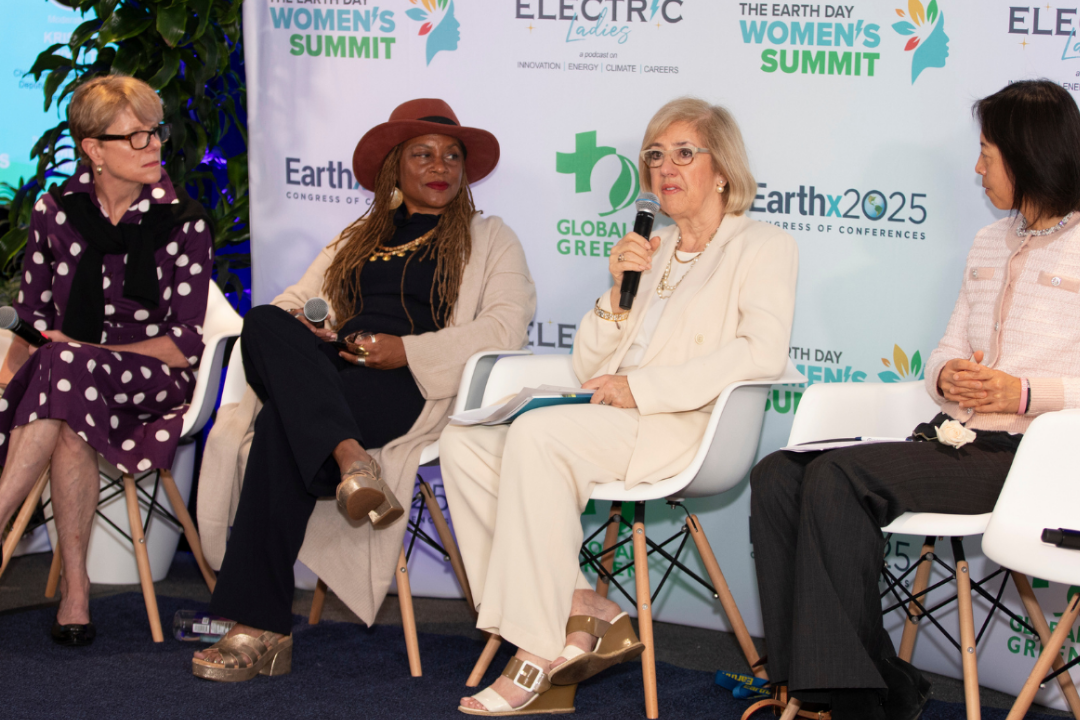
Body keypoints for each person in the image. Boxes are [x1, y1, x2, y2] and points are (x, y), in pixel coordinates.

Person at [440, 97, 798, 715]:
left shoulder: (762, 245)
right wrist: (616, 293)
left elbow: (759, 354)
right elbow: (587, 366)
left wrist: (644, 391)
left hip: (685, 426)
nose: (665, 168)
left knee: (539, 438)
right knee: (464, 444)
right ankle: (584, 606)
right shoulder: (649, 247)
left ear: (723, 171)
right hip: (611, 416)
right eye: (655, 156)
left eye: (685, 153)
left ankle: (537, 650)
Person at [749, 79, 1080, 720]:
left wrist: (1025, 392)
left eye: (988, 152)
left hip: (1033, 461)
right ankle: (851, 684)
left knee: (840, 478)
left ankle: (852, 701)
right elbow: (942, 352)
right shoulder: (989, 242)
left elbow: (1043, 392)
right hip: (953, 440)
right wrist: (947, 377)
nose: (977, 167)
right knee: (780, 474)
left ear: (1029, 154)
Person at [191, 98, 536, 682]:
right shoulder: (361, 235)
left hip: (410, 382)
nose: (441, 166)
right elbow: (293, 302)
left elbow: (505, 326)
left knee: (279, 424)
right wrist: (313, 328)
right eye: (423, 154)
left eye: (452, 156)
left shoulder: (489, 236)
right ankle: (352, 460)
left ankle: (259, 627)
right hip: (334, 371)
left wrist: (407, 350)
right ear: (394, 168)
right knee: (264, 322)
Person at [0, 75, 212, 646]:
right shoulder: (55, 211)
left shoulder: (183, 220)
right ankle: (75, 596)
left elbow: (185, 342)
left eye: (156, 133)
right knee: (67, 399)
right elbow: (31, 316)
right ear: (93, 149)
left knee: (67, 367)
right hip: (67, 385)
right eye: (136, 137)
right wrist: (7, 385)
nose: (154, 146)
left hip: (155, 380)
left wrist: (88, 354)